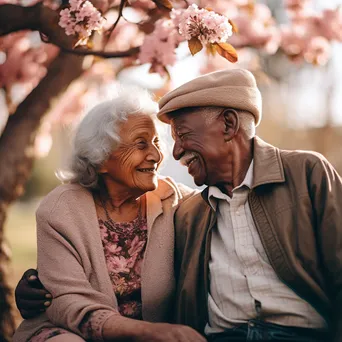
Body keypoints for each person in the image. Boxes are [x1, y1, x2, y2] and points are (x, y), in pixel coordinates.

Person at [17, 69, 342, 341]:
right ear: (100, 157)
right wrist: (39, 286)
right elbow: (66, 296)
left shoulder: (184, 203)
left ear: (229, 125)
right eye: (143, 144)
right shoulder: (187, 211)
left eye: (175, 138)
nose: (167, 155)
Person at [156, 68, 342, 341]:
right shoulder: (188, 212)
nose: (176, 151)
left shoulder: (307, 172)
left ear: (229, 125)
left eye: (183, 135)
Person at [13, 87, 205, 342]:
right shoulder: (60, 209)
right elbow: (70, 304)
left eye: (156, 142)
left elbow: (228, 203)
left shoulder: (173, 200)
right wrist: (150, 332)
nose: (156, 155)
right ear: (101, 157)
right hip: (67, 332)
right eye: (140, 143)